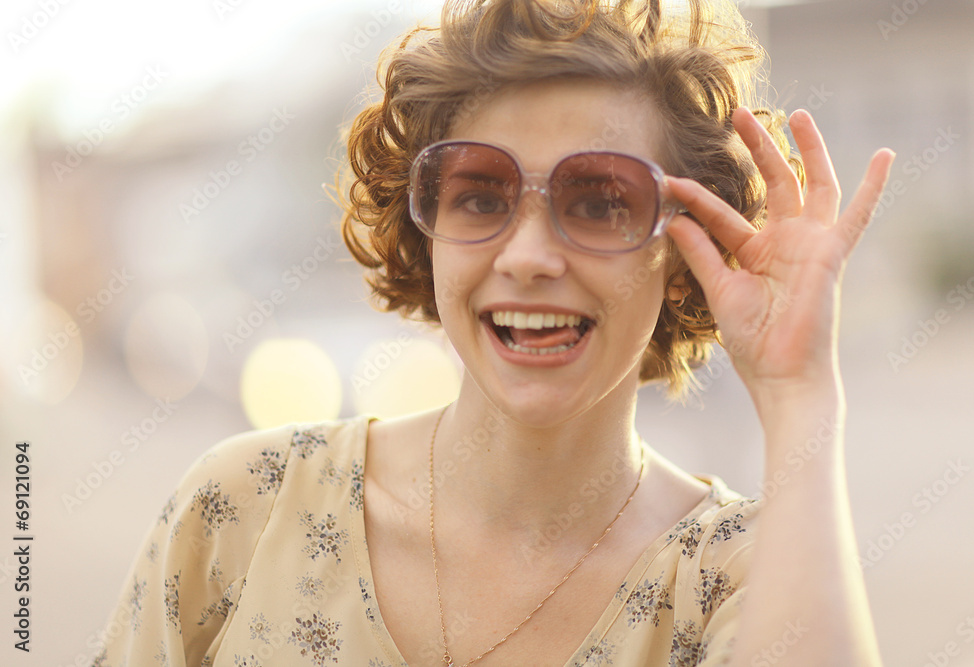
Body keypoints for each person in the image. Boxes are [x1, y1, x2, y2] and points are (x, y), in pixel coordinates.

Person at [93, 0, 892, 665]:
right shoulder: (244, 507)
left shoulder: (737, 575)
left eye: (599, 201)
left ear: (682, 255)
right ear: (429, 233)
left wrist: (798, 395)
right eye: (481, 196)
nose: (531, 256)